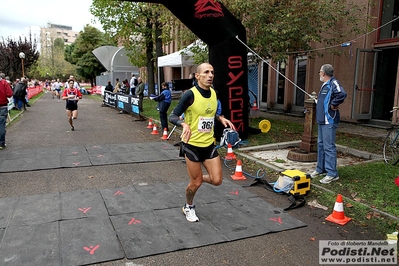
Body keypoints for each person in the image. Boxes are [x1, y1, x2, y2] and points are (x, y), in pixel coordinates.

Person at [169, 63, 236, 222]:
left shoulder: (214, 93)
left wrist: (220, 118)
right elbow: (172, 116)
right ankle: (188, 206)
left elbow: (207, 115)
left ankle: (197, 178)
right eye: (206, 72)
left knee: (217, 180)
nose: (210, 75)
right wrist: (183, 124)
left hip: (208, 145)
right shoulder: (189, 95)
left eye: (212, 72)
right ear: (197, 76)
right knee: (196, 182)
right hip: (191, 145)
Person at [310, 64, 347, 184]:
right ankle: (321, 169)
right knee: (320, 145)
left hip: (329, 120)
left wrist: (334, 104)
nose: (319, 73)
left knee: (329, 147)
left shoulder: (333, 83)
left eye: (320, 71)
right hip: (321, 120)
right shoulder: (324, 85)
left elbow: (342, 94)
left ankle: (332, 174)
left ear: (324, 73)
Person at [0, 73, 13, 149]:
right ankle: (1, 143)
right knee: (1, 125)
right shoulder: (4, 83)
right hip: (2, 105)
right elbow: (9, 94)